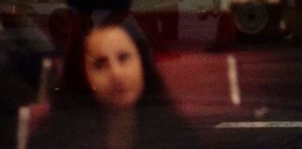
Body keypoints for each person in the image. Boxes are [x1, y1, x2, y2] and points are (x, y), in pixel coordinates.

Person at [29, 16, 197, 149]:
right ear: (84, 74)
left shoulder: (174, 136)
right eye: (100, 64)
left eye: (123, 58)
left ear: (142, 64)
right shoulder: (59, 137)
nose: (116, 74)